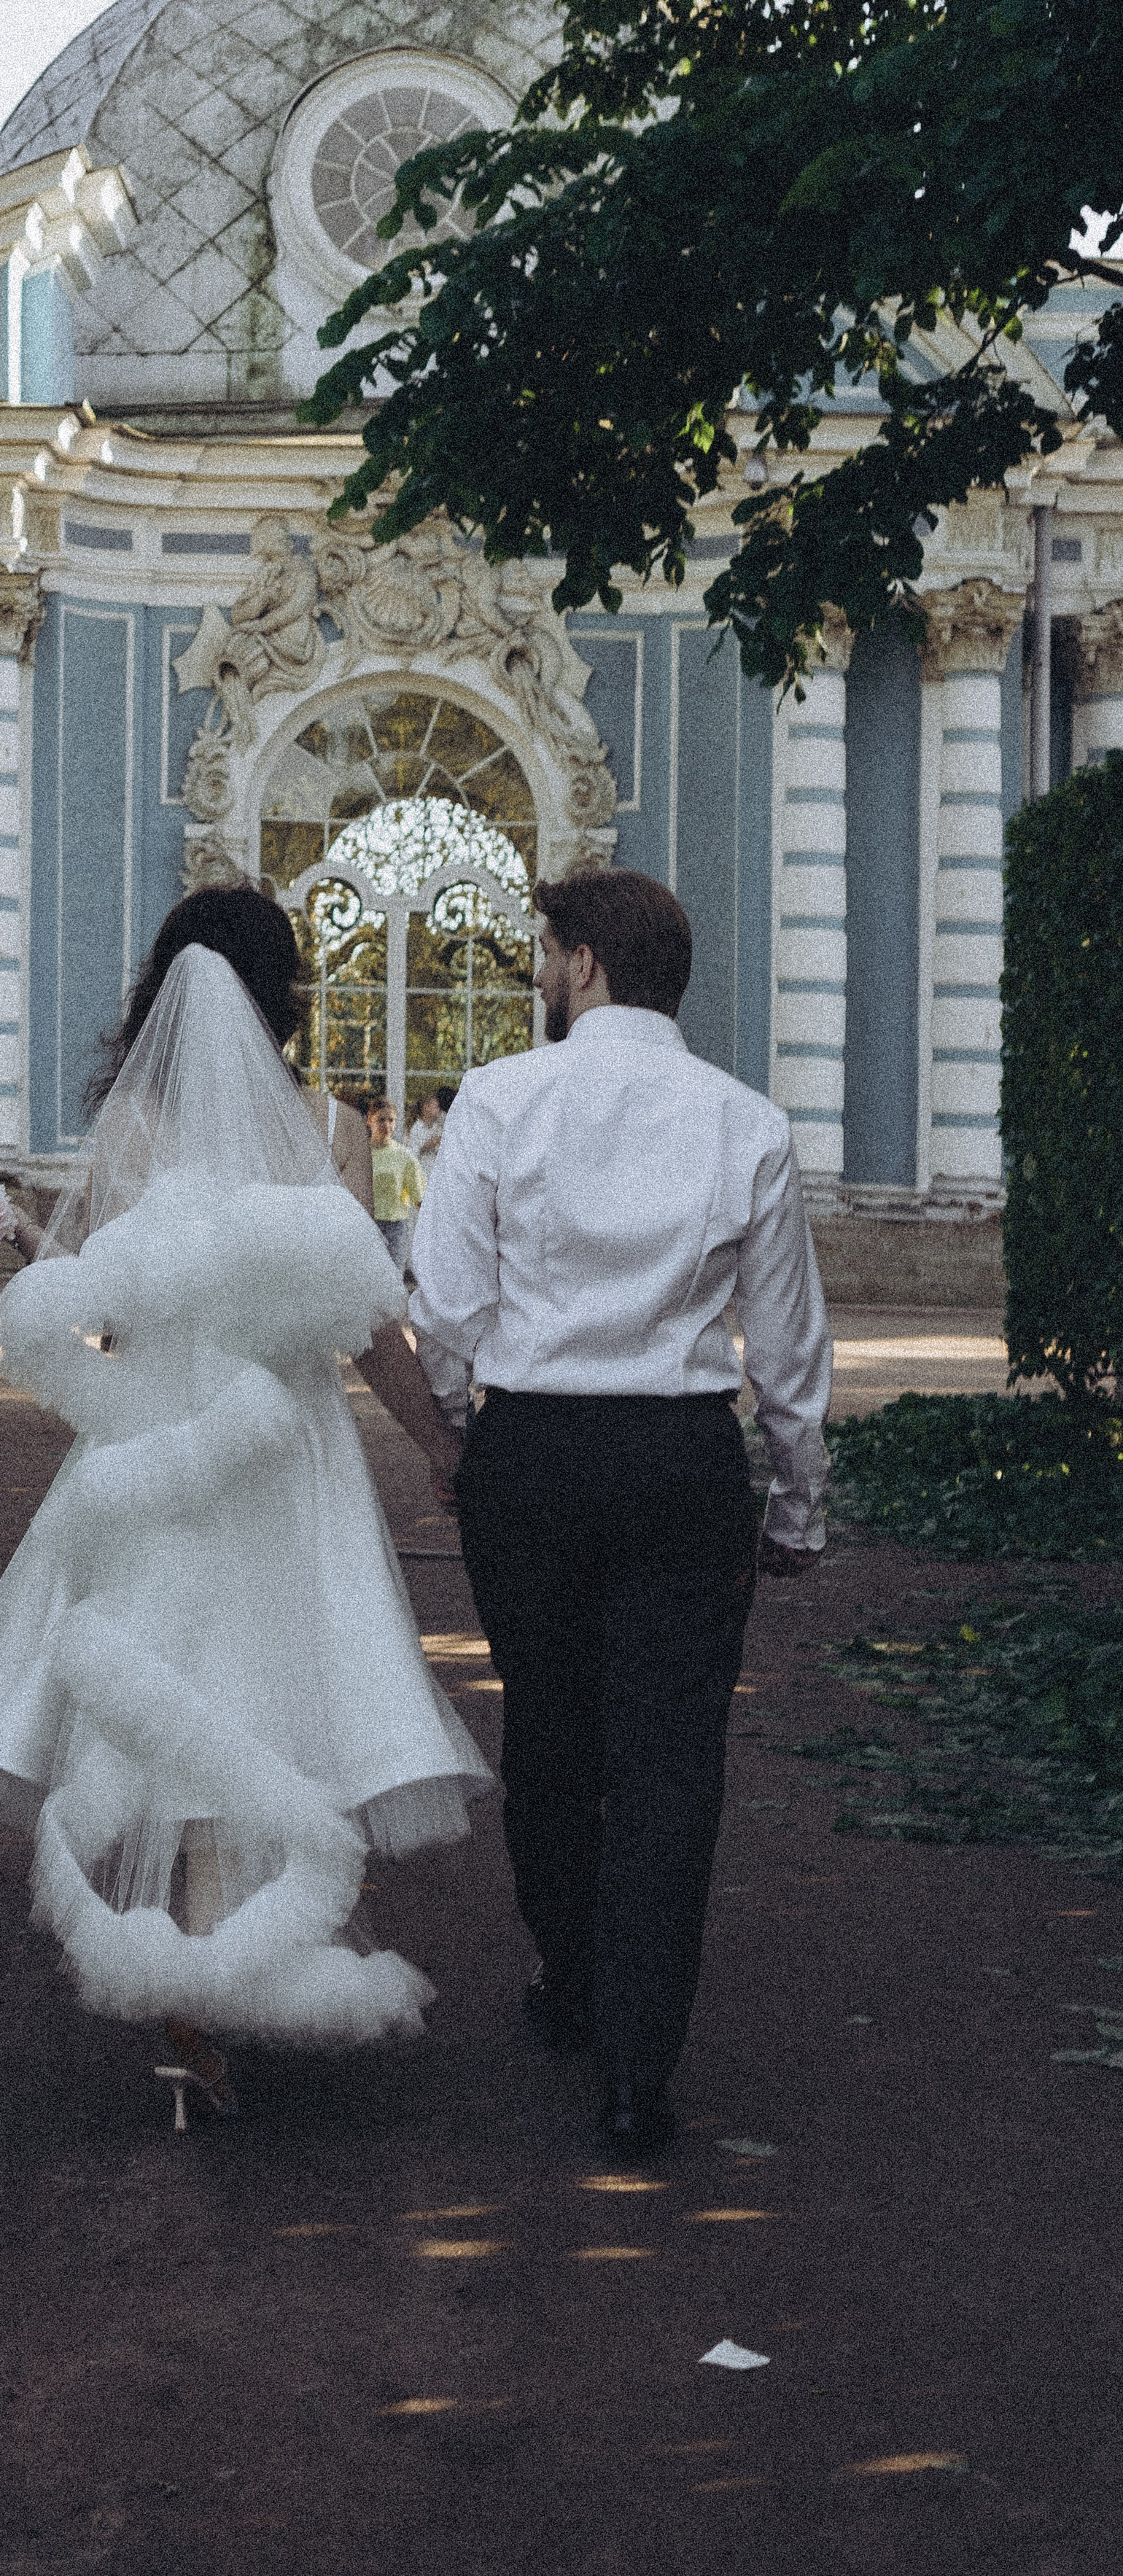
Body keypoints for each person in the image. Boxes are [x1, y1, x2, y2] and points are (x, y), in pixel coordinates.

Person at [0, 886, 482, 2118]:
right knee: (280, 1688)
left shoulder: (131, 1127)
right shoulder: (331, 1128)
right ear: (281, 990)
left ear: (165, 985)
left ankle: (179, 1986)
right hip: (290, 1457)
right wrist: (440, 1443)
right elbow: (370, 1328)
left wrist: (19, 1243)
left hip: (164, 1438)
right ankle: (239, 1955)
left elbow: (111, 1318)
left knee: (167, 1684)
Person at [410, 867, 831, 2160]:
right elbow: (790, 1344)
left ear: (583, 961)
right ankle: (640, 2073)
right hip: (679, 1459)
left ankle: (573, 1983)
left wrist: (466, 1431)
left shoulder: (496, 1097)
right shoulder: (744, 1120)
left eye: (545, 952)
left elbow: (444, 1304)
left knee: (548, 1726)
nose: (539, 972)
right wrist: (798, 1505)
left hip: (534, 1449)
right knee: (669, 1765)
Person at [368, 1096, 425, 1272]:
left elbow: (420, 1200)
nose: (387, 1126)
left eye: (391, 1120)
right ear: (370, 1120)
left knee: (394, 1281)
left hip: (395, 1228)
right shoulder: (359, 1153)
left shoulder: (404, 1156)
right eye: (381, 1120)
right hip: (366, 1227)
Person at [407, 1089, 449, 1183]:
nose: (439, 1110)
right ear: (426, 1108)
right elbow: (412, 1154)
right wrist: (429, 1144)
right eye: (436, 1107)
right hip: (423, 1174)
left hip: (437, 1175)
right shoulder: (417, 1128)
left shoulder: (439, 1126)